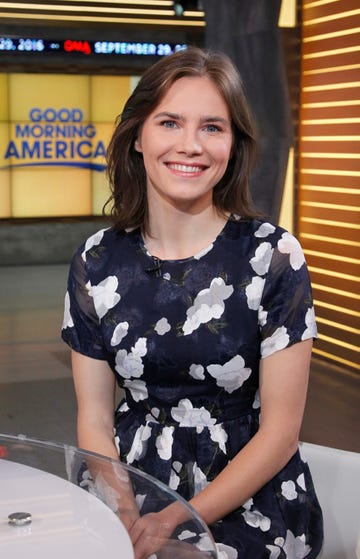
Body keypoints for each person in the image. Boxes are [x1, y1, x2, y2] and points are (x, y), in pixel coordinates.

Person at [62, 46, 323, 559]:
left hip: (247, 491)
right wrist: (125, 514)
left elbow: (281, 433)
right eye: (169, 122)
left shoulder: (273, 256)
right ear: (138, 136)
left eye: (212, 127)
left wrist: (176, 519)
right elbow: (93, 418)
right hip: (127, 480)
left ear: (233, 144)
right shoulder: (95, 261)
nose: (190, 145)